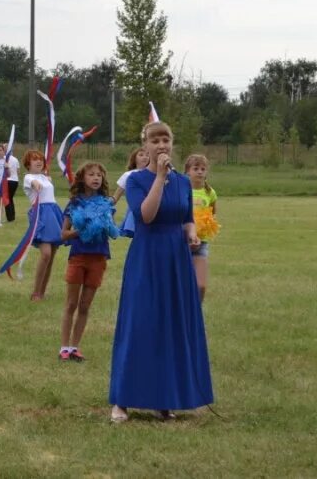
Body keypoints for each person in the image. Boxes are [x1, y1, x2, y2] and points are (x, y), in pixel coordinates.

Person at [109, 122, 213, 423]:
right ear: (146, 146)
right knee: (140, 323)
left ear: (172, 142)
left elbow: (186, 217)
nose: (161, 145)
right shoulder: (136, 180)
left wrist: (192, 232)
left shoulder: (182, 182)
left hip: (176, 259)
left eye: (165, 139)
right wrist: (160, 178)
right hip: (147, 256)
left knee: (170, 326)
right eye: (154, 140)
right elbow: (147, 215)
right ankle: (123, 400)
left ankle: (164, 399)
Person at [58, 162, 118, 362]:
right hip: (78, 257)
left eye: (99, 175)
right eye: (91, 174)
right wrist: (79, 232)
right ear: (82, 179)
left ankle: (75, 347)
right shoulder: (74, 204)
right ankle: (64, 347)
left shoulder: (105, 204)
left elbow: (112, 230)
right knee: (71, 303)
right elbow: (63, 234)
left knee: (85, 305)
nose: (96, 178)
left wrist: (108, 226)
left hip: (99, 258)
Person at [22, 149, 64, 298]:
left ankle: (42, 292)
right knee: (45, 254)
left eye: (40, 159)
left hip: (53, 212)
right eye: (34, 159)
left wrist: (46, 180)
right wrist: (36, 184)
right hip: (41, 215)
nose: (39, 161)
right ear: (28, 163)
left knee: (51, 256)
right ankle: (35, 292)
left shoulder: (47, 178)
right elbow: (33, 183)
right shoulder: (28, 177)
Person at [185, 153, 219, 302]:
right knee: (183, 283)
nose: (200, 171)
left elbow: (212, 212)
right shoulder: (182, 189)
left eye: (203, 169)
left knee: (201, 285)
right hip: (183, 241)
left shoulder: (209, 192)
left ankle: (196, 312)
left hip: (202, 242)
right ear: (187, 171)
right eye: (196, 168)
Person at [112, 148, 149, 238]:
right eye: (141, 155)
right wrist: (105, 205)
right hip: (134, 210)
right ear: (134, 159)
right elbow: (116, 196)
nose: (144, 157)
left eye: (147, 155)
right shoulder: (128, 175)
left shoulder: (154, 174)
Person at [3, 149, 20, 223]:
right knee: (10, 198)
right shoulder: (15, 159)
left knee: (7, 199)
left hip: (8, 180)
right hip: (15, 181)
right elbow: (18, 171)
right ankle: (12, 216)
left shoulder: (4, 159)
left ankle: (9, 218)